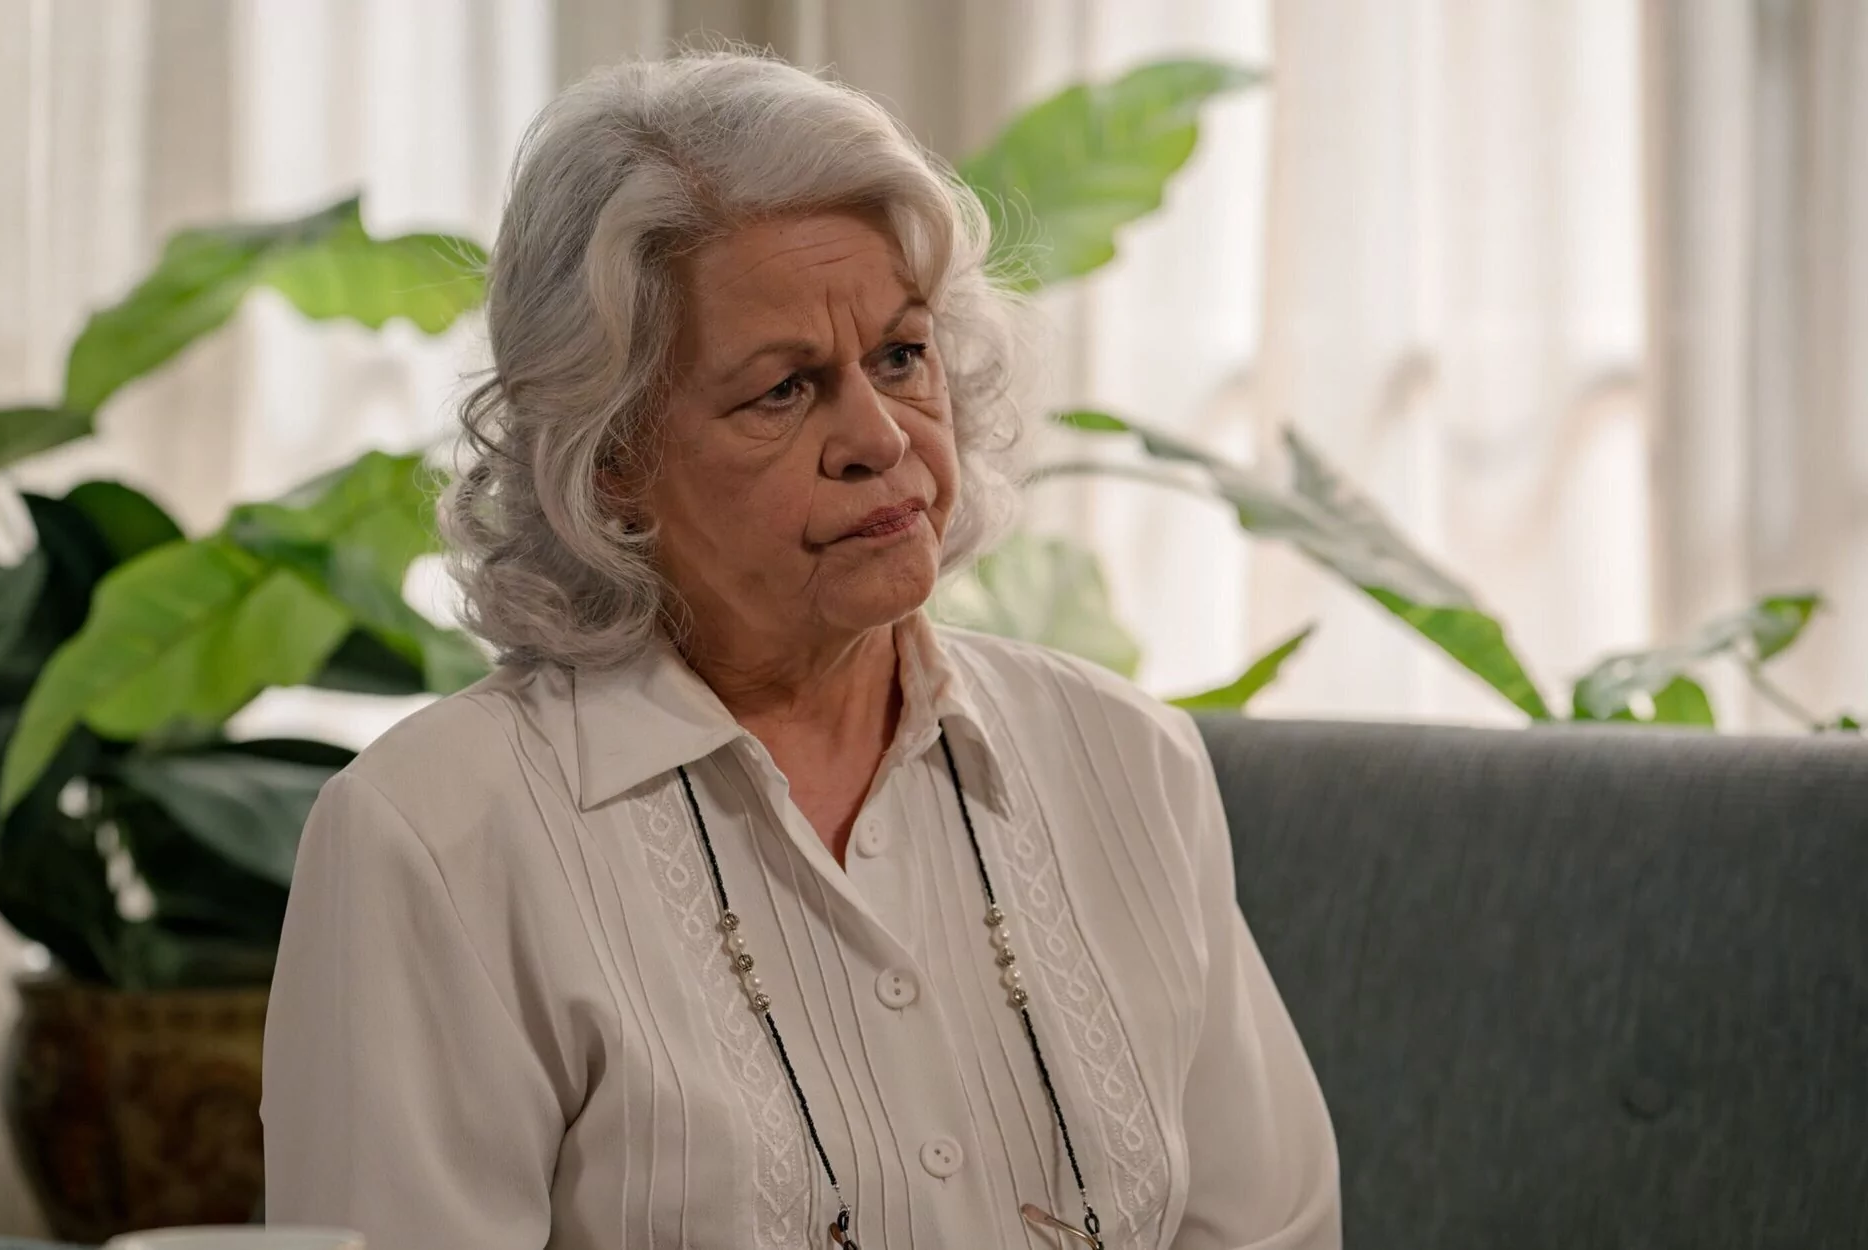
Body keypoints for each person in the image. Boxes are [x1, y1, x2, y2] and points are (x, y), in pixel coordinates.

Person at [262, 49, 1339, 1250]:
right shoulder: (434, 835)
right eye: (782, 389)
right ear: (609, 457)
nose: (880, 436)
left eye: (900, 355)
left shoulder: (1128, 761)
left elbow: (1270, 1229)